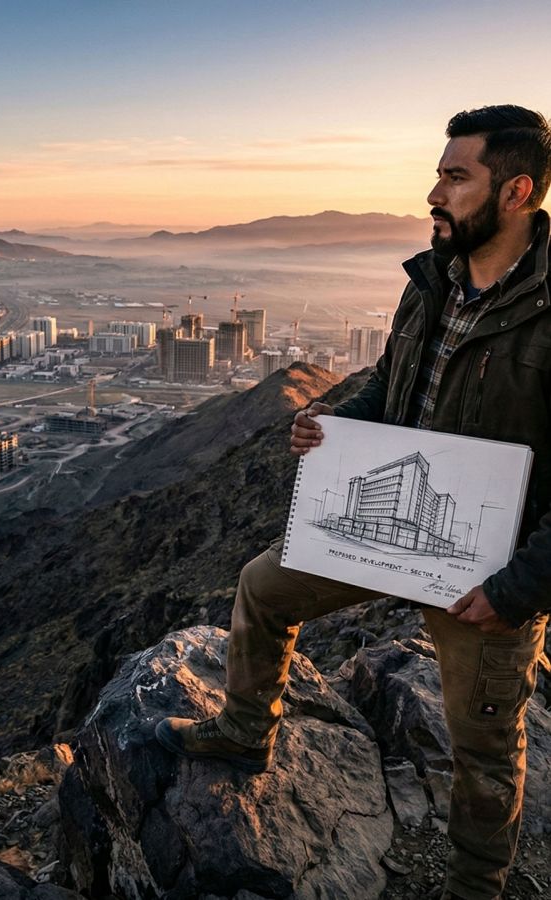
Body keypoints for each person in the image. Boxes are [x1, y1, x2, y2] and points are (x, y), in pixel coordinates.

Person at [155, 105, 551, 900]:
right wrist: (340, 428)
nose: (432, 193)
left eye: (453, 176)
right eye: (438, 174)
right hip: (389, 530)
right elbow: (390, 384)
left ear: (515, 192)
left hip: (490, 566)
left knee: (482, 744)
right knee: (262, 587)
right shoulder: (432, 281)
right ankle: (243, 731)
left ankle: (479, 883)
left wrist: (517, 591)